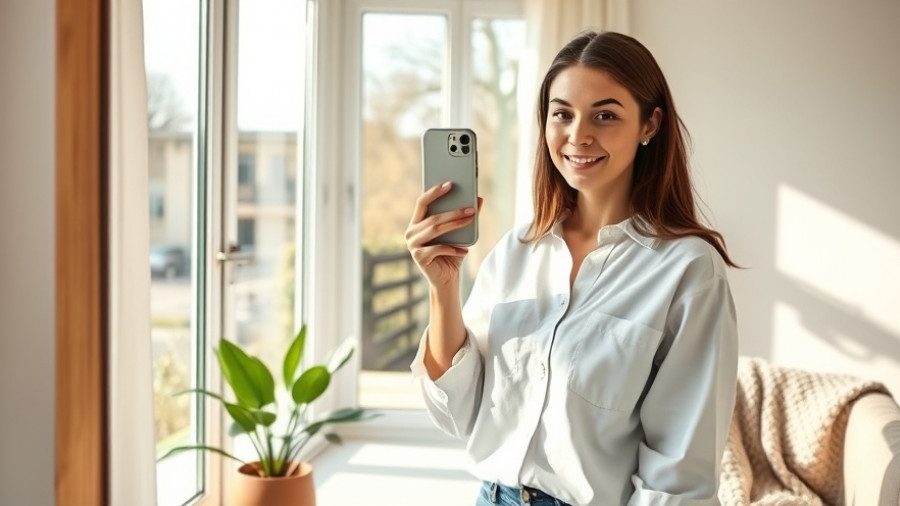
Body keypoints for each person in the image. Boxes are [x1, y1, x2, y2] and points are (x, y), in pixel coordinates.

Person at [405, 30, 739, 506]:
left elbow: (679, 472)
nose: (578, 135)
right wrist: (443, 289)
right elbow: (458, 415)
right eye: (562, 113)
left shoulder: (687, 270)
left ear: (650, 124)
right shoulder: (517, 251)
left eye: (605, 115)